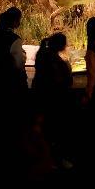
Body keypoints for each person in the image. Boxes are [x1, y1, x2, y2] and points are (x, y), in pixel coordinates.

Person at [33, 32, 74, 167]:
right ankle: (57, 160)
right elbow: (63, 80)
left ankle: (47, 158)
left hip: (41, 98)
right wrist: (67, 66)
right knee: (57, 130)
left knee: (47, 129)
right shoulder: (55, 62)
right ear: (60, 45)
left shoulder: (42, 54)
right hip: (54, 100)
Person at [0, 7, 28, 97]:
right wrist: (24, 54)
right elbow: (19, 63)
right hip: (9, 83)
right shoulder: (14, 39)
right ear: (15, 21)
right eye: (19, 19)